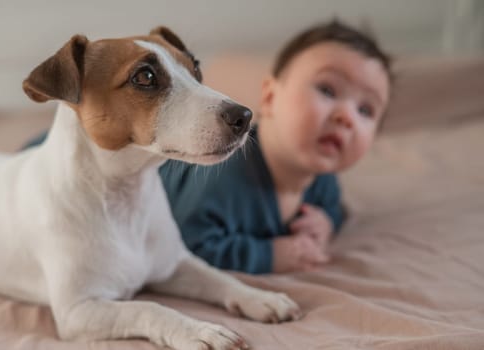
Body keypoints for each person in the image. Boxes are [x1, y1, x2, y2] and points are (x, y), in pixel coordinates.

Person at [159, 19, 392, 274]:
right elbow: (188, 245)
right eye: (327, 90)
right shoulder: (225, 177)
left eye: (365, 110)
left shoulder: (323, 180)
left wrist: (327, 223)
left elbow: (333, 208)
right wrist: (268, 255)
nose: (346, 117)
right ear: (270, 97)